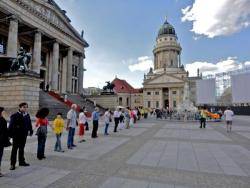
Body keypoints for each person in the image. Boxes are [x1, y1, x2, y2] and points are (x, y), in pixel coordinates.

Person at [8, 102, 33, 170]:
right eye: (24, 107)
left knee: (22, 149)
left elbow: (29, 123)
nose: (25, 108)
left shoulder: (27, 115)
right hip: (16, 136)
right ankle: (12, 164)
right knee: (14, 150)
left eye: (26, 107)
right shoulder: (14, 115)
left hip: (24, 135)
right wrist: (9, 135)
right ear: (20, 107)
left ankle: (21, 161)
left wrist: (31, 130)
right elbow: (11, 126)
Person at [0, 107, 11, 177]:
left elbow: (5, 131)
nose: (1, 113)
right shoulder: (2, 120)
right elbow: (5, 131)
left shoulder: (2, 119)